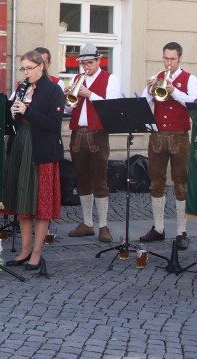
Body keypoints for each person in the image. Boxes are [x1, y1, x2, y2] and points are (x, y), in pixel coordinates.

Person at [5, 51, 64, 272]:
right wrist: (12, 112)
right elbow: (13, 118)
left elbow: (54, 124)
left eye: (29, 68)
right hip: (21, 145)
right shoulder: (22, 88)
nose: (26, 73)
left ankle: (37, 252)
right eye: (23, 69)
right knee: (23, 199)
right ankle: (25, 248)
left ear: (41, 66)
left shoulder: (53, 90)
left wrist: (27, 111)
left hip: (41, 150)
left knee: (40, 203)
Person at [140, 41, 197, 249]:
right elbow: (144, 104)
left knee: (181, 182)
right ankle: (158, 228)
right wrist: (148, 91)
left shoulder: (190, 78)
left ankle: (182, 231)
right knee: (156, 181)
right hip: (157, 135)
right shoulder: (157, 77)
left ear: (180, 58)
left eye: (172, 59)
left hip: (179, 136)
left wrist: (173, 90)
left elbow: (192, 104)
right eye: (166, 58)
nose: (168, 63)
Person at [65, 43, 120, 243]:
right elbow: (70, 109)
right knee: (82, 179)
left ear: (99, 61)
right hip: (78, 133)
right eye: (83, 63)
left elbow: (111, 106)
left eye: (89, 63)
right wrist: (69, 100)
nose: (86, 67)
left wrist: (90, 95)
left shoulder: (110, 79)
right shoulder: (78, 79)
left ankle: (103, 225)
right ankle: (87, 223)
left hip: (98, 134)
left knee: (100, 179)